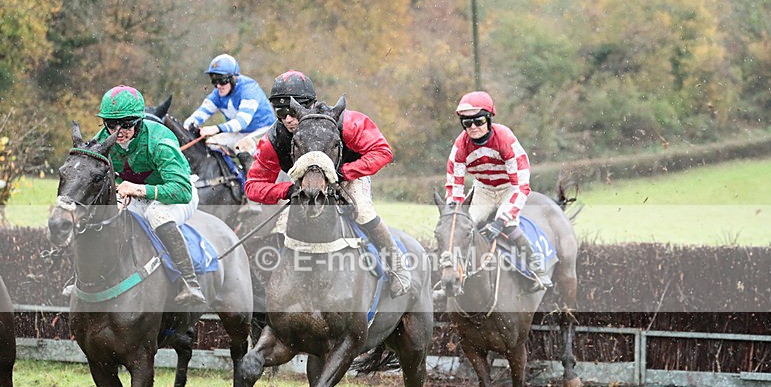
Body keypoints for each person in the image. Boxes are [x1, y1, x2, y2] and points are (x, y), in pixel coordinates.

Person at [245, 70, 411, 297]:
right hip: (304, 184)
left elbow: (382, 151)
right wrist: (287, 189)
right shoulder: (273, 140)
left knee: (362, 211)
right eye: (282, 111)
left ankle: (397, 264)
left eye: (295, 109)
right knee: (283, 225)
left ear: (311, 103)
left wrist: (343, 172)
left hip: (349, 176)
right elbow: (253, 186)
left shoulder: (348, 122)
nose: (289, 119)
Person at [96, 85, 207, 306]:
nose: (119, 131)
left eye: (126, 124)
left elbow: (182, 191)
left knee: (157, 214)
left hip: (176, 194)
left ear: (138, 121)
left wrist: (137, 189)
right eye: (111, 124)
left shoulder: (160, 140)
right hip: (135, 196)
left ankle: (190, 282)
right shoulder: (100, 140)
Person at [445, 90, 552, 290]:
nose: (473, 127)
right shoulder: (460, 145)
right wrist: (454, 209)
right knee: (463, 227)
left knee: (509, 224)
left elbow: (521, 186)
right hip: (483, 188)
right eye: (467, 123)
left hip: (509, 187)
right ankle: (452, 279)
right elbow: (454, 184)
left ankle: (538, 271)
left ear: (489, 119)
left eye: (478, 121)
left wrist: (500, 221)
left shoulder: (504, 138)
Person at [183, 54, 276, 174]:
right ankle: (232, 178)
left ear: (233, 78)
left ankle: (252, 186)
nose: (218, 86)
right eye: (214, 81)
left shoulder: (249, 89)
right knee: (211, 144)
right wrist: (186, 127)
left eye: (221, 81)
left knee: (242, 147)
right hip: (241, 133)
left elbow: (241, 122)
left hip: (265, 131)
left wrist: (216, 128)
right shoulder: (218, 93)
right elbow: (200, 114)